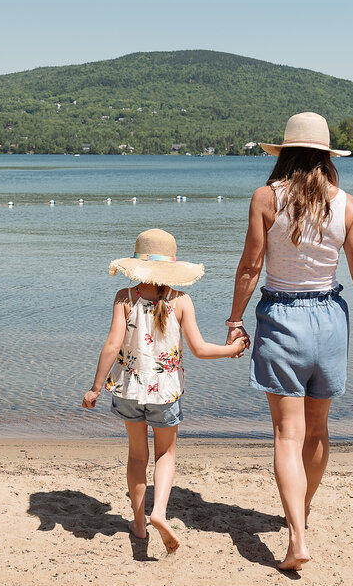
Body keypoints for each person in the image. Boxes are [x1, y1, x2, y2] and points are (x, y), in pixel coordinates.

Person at [225, 112, 353, 570]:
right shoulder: (346, 204)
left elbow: (250, 268)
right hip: (332, 321)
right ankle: (305, 510)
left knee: (287, 433)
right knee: (317, 431)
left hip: (282, 318)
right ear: (326, 157)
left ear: (285, 154)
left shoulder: (266, 198)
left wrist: (235, 319)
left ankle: (297, 535)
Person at [83, 228, 248, 554]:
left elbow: (112, 344)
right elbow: (199, 349)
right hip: (166, 393)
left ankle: (140, 524)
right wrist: (233, 349)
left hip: (129, 390)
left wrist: (95, 387)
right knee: (165, 454)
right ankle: (159, 511)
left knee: (136, 455)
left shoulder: (124, 298)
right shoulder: (181, 301)